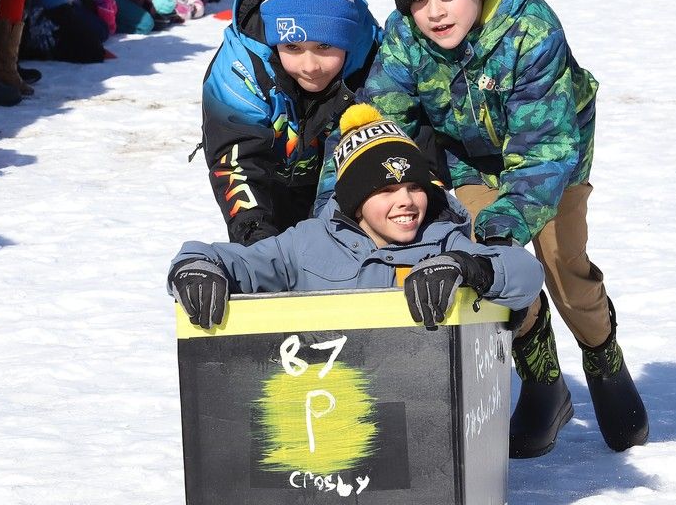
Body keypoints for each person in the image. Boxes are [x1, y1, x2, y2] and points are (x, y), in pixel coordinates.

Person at [318, 0, 648, 455]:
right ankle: (543, 382)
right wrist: (335, 208)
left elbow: (545, 149)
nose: (435, 11)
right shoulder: (407, 40)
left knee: (563, 267)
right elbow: (374, 126)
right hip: (468, 156)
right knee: (483, 262)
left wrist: (508, 221)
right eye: (418, 0)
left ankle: (604, 362)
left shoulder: (530, 29)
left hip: (552, 151)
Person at [169, 103, 544, 333]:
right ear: (355, 202)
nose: (406, 201)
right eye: (385, 191)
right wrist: (196, 266)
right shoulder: (307, 244)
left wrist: (469, 267)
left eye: (415, 187)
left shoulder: (442, 240)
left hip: (423, 405)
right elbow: (237, 262)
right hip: (330, 399)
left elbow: (525, 273)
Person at [200, 0, 380, 246]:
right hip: (270, 185)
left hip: (342, 188)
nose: (310, 66)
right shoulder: (240, 68)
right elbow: (236, 160)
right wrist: (257, 237)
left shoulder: (371, 59)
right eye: (293, 48)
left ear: (347, 40)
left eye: (325, 46)